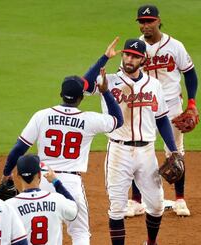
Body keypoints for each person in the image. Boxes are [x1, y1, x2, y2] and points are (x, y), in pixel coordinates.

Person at [1, 65, 124, 245]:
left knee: (30, 228)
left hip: (41, 179)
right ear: (81, 98)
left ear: (61, 94)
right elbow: (117, 120)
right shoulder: (89, 119)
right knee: (80, 232)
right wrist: (105, 92)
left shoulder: (41, 116)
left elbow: (19, 148)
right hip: (71, 183)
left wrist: (6, 173)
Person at [84, 38, 180, 245]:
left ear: (142, 59)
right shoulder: (107, 80)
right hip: (119, 152)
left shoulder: (154, 85)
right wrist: (104, 57)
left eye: (135, 56)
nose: (129, 59)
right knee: (117, 208)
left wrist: (173, 150)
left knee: (156, 205)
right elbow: (84, 86)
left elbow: (162, 118)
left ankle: (150, 242)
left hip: (147, 153)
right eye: (126, 54)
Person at [127, 4, 199, 217]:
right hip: (145, 104)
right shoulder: (136, 47)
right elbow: (128, 74)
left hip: (171, 105)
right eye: (141, 21)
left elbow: (190, 74)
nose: (145, 25)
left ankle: (180, 199)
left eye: (149, 21)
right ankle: (136, 201)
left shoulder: (175, 46)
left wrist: (192, 103)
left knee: (175, 151)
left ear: (158, 20)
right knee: (139, 149)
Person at [6, 154, 78, 245]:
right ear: (39, 174)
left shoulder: (9, 206)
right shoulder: (57, 199)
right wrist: (56, 182)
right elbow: (74, 211)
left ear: (18, 175)